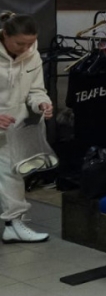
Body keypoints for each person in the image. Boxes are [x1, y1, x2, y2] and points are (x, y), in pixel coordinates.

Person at [1, 12, 52, 243]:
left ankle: (14, 225)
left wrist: (42, 103)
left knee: (12, 174)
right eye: (20, 43)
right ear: (5, 35)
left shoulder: (32, 55)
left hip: (13, 127)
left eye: (30, 43)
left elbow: (36, 90)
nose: (25, 48)